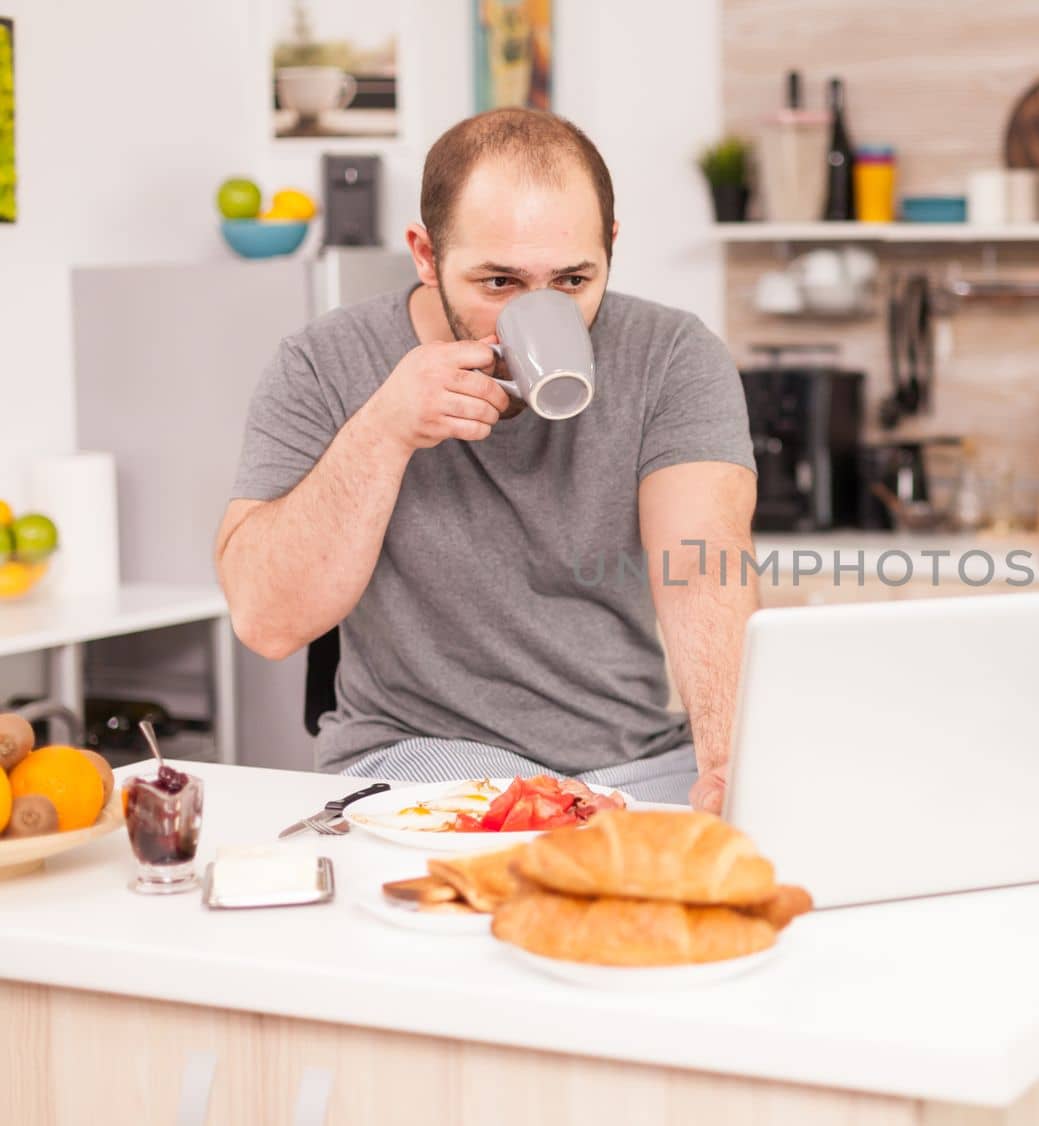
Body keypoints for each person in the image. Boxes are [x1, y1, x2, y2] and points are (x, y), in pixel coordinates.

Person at [215, 108, 757, 813]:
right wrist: (384, 429)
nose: (538, 311)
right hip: (417, 753)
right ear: (425, 254)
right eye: (497, 283)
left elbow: (700, 563)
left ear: (610, 248)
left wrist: (725, 761)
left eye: (571, 281)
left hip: (634, 759)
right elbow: (266, 620)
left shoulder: (673, 355)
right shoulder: (323, 363)